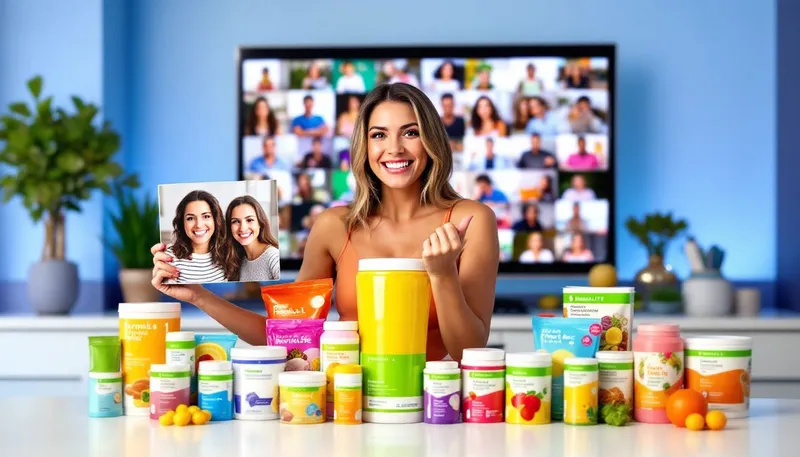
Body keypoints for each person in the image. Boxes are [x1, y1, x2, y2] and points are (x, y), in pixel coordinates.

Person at [151, 83, 499, 363]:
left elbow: (471, 346)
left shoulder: (471, 220)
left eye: (410, 133)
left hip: (435, 406)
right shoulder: (335, 226)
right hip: (350, 402)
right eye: (379, 135)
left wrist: (441, 274)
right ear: (364, 145)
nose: (394, 148)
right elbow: (288, 336)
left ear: (431, 141)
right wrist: (198, 295)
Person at [163, 190, 229, 284]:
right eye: (190, 218)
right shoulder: (169, 257)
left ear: (215, 220)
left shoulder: (228, 255)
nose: (198, 225)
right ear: (182, 223)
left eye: (206, 216)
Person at [224, 195, 280, 281]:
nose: (242, 228)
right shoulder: (238, 261)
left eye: (249, 220)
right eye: (235, 221)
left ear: (260, 223)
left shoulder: (274, 257)